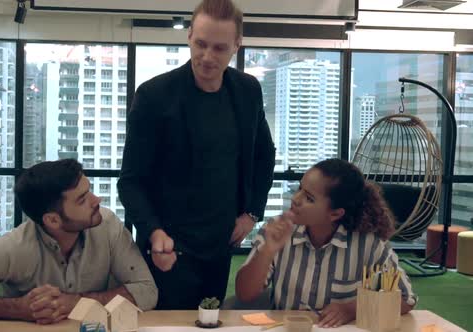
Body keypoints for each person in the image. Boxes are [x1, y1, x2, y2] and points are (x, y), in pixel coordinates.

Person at [118, 0, 275, 309]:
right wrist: (153, 232)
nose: (206, 57)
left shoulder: (246, 90)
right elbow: (131, 182)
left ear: (236, 45)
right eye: (200, 44)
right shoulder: (154, 96)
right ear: (189, 35)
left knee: (211, 320)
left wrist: (251, 213)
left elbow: (264, 155)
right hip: (168, 246)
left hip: (221, 240)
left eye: (219, 48)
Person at [0, 159, 158, 324]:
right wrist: (19, 309)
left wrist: (76, 302)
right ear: (52, 220)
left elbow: (147, 292)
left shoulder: (108, 226)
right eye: (82, 199)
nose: (96, 201)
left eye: (88, 191)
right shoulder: (14, 247)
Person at [236, 158, 417, 328]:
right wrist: (266, 251)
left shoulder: (369, 244)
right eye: (299, 189)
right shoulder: (276, 230)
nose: (295, 199)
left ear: (335, 214)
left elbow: (405, 298)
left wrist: (351, 309)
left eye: (309, 198)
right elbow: (245, 294)